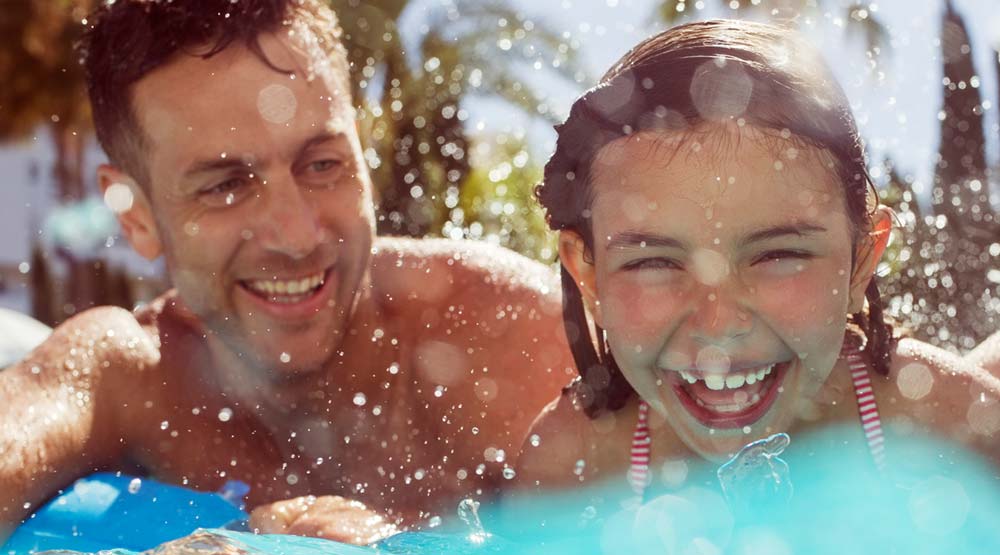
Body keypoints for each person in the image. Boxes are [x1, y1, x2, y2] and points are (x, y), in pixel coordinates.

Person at [0, 0, 573, 542]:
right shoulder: (124, 378)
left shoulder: (512, 339)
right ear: (136, 213)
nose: (297, 235)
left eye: (322, 164)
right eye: (225, 186)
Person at [512, 19, 1000, 520]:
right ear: (588, 277)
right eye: (653, 261)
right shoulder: (575, 468)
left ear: (860, 262)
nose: (717, 324)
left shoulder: (947, 427)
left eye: (776, 256)